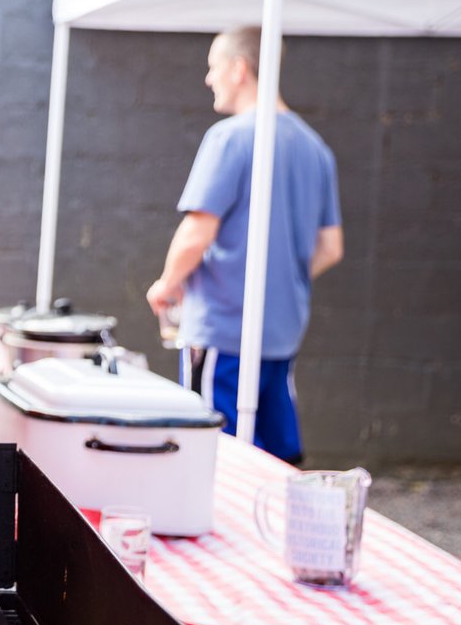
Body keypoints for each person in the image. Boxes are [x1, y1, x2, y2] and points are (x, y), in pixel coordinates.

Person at [146, 26, 342, 464]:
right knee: (275, 461)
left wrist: (166, 285)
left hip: (224, 329)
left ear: (239, 69)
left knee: (211, 455)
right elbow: (331, 247)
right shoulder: (316, 149)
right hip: (282, 333)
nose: (208, 78)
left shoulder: (231, 137)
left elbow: (197, 233)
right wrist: (279, 279)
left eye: (213, 66)